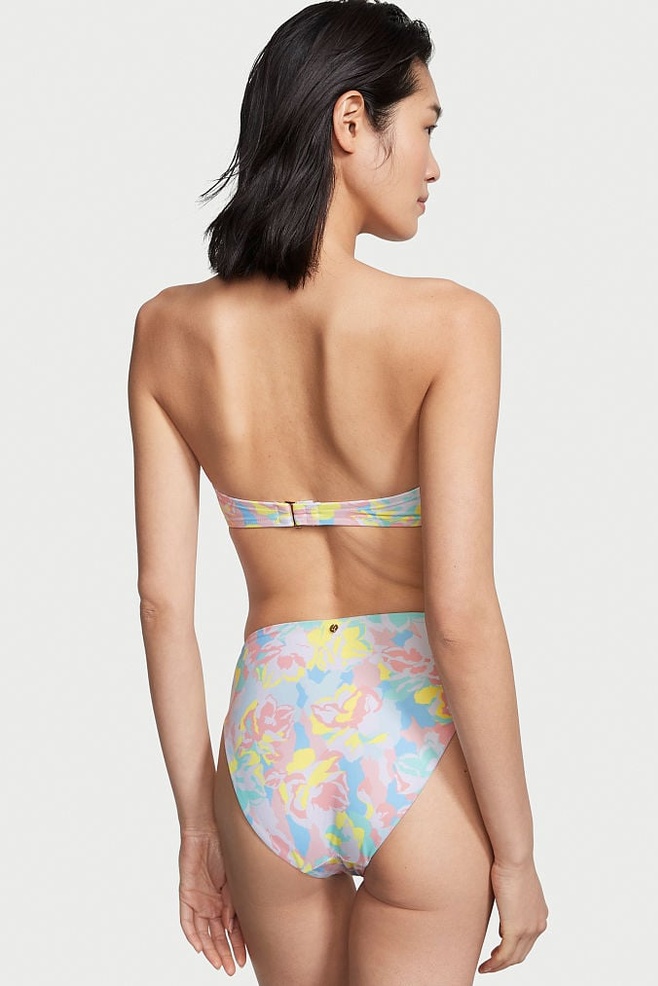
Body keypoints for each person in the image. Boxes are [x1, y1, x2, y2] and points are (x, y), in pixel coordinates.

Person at [128, 2, 548, 983]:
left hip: (267, 745)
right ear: (351, 121)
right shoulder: (451, 324)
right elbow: (459, 613)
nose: (434, 165)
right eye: (427, 126)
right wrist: (517, 852)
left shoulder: (166, 329)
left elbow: (161, 604)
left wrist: (197, 825)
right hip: (408, 732)